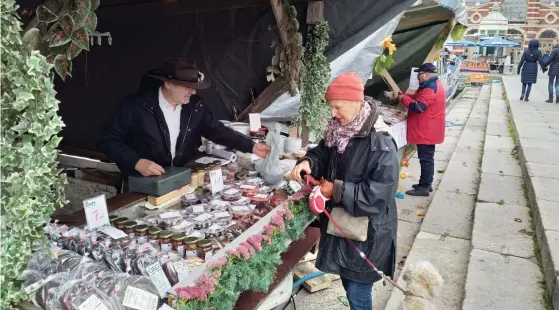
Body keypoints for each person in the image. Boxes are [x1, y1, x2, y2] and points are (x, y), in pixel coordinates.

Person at [290, 73, 398, 310]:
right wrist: (309, 161)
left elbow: (378, 195)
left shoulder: (380, 143)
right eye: (331, 107)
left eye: (337, 107)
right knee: (351, 287)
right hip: (347, 227)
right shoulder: (338, 130)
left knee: (358, 294)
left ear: (357, 102)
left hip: (367, 234)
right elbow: (323, 152)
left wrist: (335, 190)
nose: (332, 113)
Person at [98, 57, 269, 182]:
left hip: (180, 178)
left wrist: (251, 146)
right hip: (141, 182)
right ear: (168, 83)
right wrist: (136, 162)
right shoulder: (136, 106)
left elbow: (217, 131)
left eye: (195, 87)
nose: (193, 92)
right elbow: (107, 140)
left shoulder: (194, 106)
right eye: (188, 87)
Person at [397, 63, 446, 197]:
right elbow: (420, 99)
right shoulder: (433, 85)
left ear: (426, 74)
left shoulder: (430, 88)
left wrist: (404, 98)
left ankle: (424, 187)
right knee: (427, 158)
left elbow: (419, 107)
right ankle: (426, 183)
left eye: (419, 74)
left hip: (427, 130)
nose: (417, 77)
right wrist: (405, 96)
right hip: (430, 129)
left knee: (426, 159)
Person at [544, 39, 559, 103]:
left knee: (550, 83)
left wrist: (544, 66)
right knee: (557, 84)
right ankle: (558, 95)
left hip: (553, 68)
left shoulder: (554, 50)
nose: (553, 42)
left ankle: (551, 98)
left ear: (557, 42)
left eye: (554, 41)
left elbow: (550, 59)